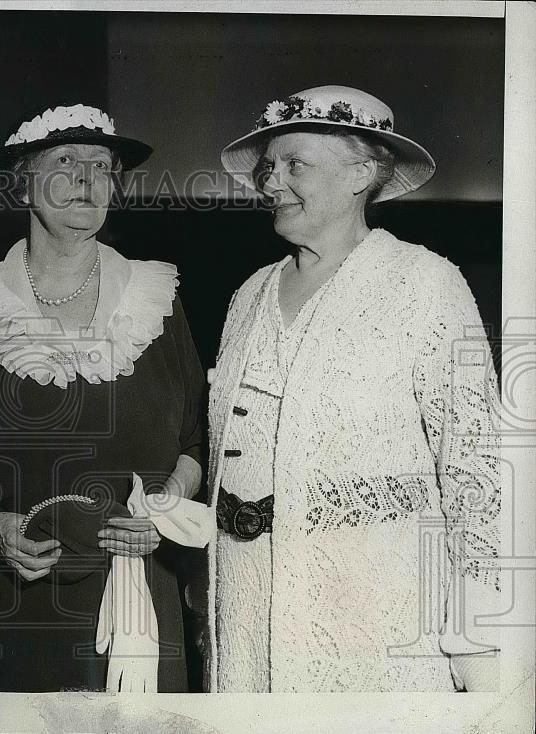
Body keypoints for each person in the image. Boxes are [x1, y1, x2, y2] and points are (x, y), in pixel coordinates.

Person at [205, 85, 501, 692]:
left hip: (371, 618)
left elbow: (480, 474)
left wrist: (482, 647)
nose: (270, 182)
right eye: (269, 166)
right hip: (245, 608)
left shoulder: (426, 284)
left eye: (296, 165)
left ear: (361, 174)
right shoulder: (248, 293)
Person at [0, 104, 210, 693]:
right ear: (23, 179)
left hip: (131, 588)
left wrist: (161, 515)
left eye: (102, 166)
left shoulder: (157, 300)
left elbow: (195, 446)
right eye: (65, 162)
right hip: (1, 591)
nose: (85, 179)